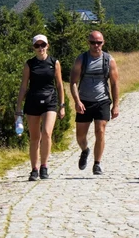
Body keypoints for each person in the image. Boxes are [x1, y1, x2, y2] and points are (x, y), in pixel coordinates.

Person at [15, 34, 66, 181]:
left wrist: (62, 105)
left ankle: (44, 166)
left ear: (47, 46)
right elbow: (24, 86)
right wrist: (18, 108)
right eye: (37, 46)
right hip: (33, 101)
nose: (40, 48)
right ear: (33, 48)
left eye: (42, 45)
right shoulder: (29, 64)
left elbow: (59, 84)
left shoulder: (54, 62)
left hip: (50, 100)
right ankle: (34, 169)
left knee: (47, 133)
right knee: (34, 137)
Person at [70, 30, 120, 175]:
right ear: (88, 43)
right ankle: (85, 150)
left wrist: (115, 105)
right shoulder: (81, 59)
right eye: (93, 42)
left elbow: (115, 83)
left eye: (99, 42)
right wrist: (77, 101)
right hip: (84, 101)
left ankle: (97, 163)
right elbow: (73, 82)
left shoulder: (109, 60)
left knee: (100, 131)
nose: (96, 45)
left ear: (103, 43)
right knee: (80, 136)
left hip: (102, 101)